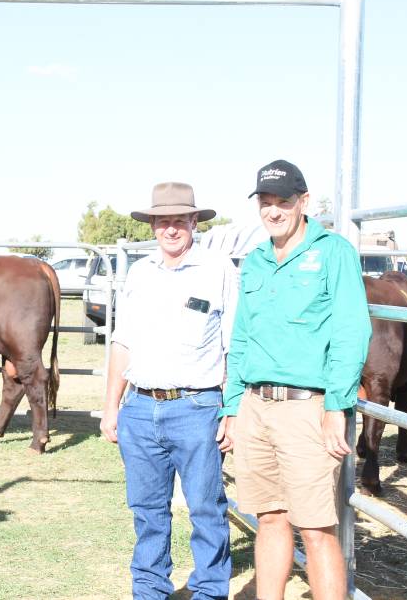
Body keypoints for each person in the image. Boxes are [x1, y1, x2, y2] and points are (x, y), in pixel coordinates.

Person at [218, 160, 371, 600]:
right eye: (265, 202)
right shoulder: (257, 259)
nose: (273, 210)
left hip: (308, 406)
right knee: (268, 517)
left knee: (317, 527)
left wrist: (335, 406)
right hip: (255, 405)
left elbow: (349, 331)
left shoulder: (333, 251)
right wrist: (232, 407)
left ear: (302, 201)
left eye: (282, 201)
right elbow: (241, 336)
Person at [100, 182, 237, 600]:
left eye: (180, 220)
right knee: (147, 512)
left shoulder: (219, 269)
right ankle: (149, 591)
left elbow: (235, 345)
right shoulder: (140, 273)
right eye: (163, 221)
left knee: (205, 508)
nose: (171, 229)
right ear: (153, 225)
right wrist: (111, 407)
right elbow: (122, 343)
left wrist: (232, 410)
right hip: (140, 407)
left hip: (197, 406)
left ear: (195, 222)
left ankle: (211, 591)